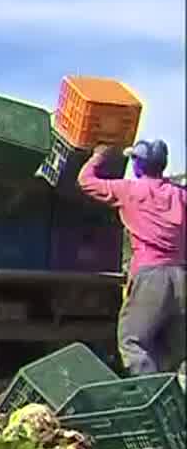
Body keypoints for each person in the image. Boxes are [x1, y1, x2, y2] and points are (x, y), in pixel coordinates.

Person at [80, 140, 186, 377]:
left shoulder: (129, 190)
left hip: (151, 276)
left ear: (138, 165)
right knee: (174, 347)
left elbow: (85, 181)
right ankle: (172, 399)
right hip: (181, 276)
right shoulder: (179, 195)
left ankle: (152, 398)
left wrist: (99, 155)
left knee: (132, 342)